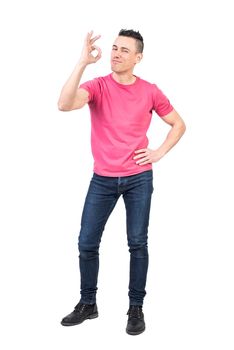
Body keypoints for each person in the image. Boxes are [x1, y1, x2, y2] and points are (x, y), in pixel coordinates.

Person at [58, 29, 186, 335]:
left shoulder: (150, 91)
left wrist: (158, 153)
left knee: (137, 243)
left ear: (138, 58)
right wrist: (81, 63)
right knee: (87, 242)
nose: (116, 53)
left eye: (124, 50)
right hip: (102, 179)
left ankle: (135, 309)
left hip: (138, 178)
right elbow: (64, 104)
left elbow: (179, 124)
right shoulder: (98, 86)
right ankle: (88, 304)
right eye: (114, 48)